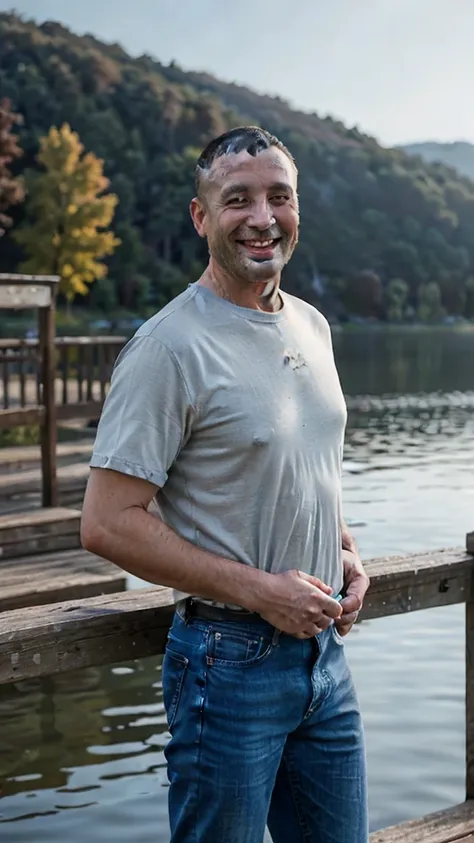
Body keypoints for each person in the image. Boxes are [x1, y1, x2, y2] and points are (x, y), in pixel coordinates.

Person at [81, 125, 370, 843]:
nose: (263, 217)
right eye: (237, 199)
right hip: (226, 665)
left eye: (279, 196)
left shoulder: (313, 325)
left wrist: (344, 549)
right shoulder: (168, 346)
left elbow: (305, 465)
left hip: (324, 661)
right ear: (201, 216)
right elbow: (108, 521)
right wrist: (260, 590)